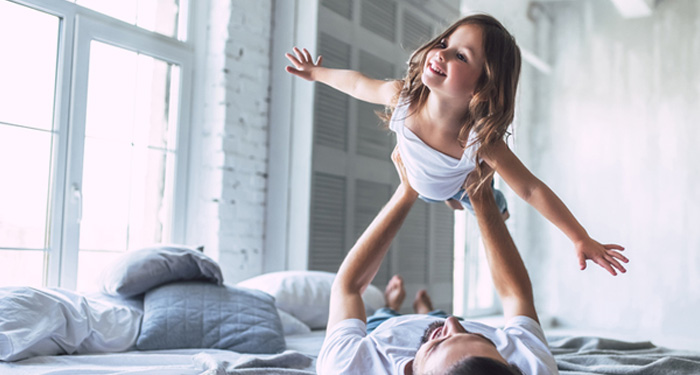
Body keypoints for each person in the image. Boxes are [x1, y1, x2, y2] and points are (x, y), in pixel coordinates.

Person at [285, 14, 628, 275]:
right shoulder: (402, 97)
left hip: (458, 183)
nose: (442, 53)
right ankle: (451, 197)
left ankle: (467, 198)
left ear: (483, 87)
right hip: (420, 176)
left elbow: (531, 188)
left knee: (486, 198)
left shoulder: (479, 142)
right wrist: (317, 74)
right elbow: (359, 84)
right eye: (445, 43)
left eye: (461, 56)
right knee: (450, 192)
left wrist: (579, 236)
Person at [316, 148, 559, 374]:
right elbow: (516, 296)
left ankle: (392, 306)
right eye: (481, 339)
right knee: (441, 316)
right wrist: (480, 194)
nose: (451, 322)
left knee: (383, 315)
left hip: (383, 331)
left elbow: (347, 288)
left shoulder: (348, 366)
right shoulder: (531, 365)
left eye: (438, 344)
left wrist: (406, 192)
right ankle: (429, 311)